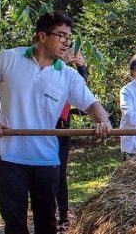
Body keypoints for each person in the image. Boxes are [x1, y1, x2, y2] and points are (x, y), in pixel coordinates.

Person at [0, 11, 112, 234]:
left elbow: (93, 105)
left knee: (47, 223)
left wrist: (102, 122)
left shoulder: (67, 75)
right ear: (42, 36)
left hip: (45, 157)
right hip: (8, 154)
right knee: (15, 224)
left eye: (69, 37)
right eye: (61, 36)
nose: (67, 43)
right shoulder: (9, 59)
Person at [55, 48, 88, 232]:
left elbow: (82, 93)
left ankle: (63, 217)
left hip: (62, 128)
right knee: (44, 174)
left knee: (60, 174)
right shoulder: (48, 68)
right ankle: (47, 215)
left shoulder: (69, 74)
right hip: (42, 129)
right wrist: (64, 62)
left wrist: (82, 67)